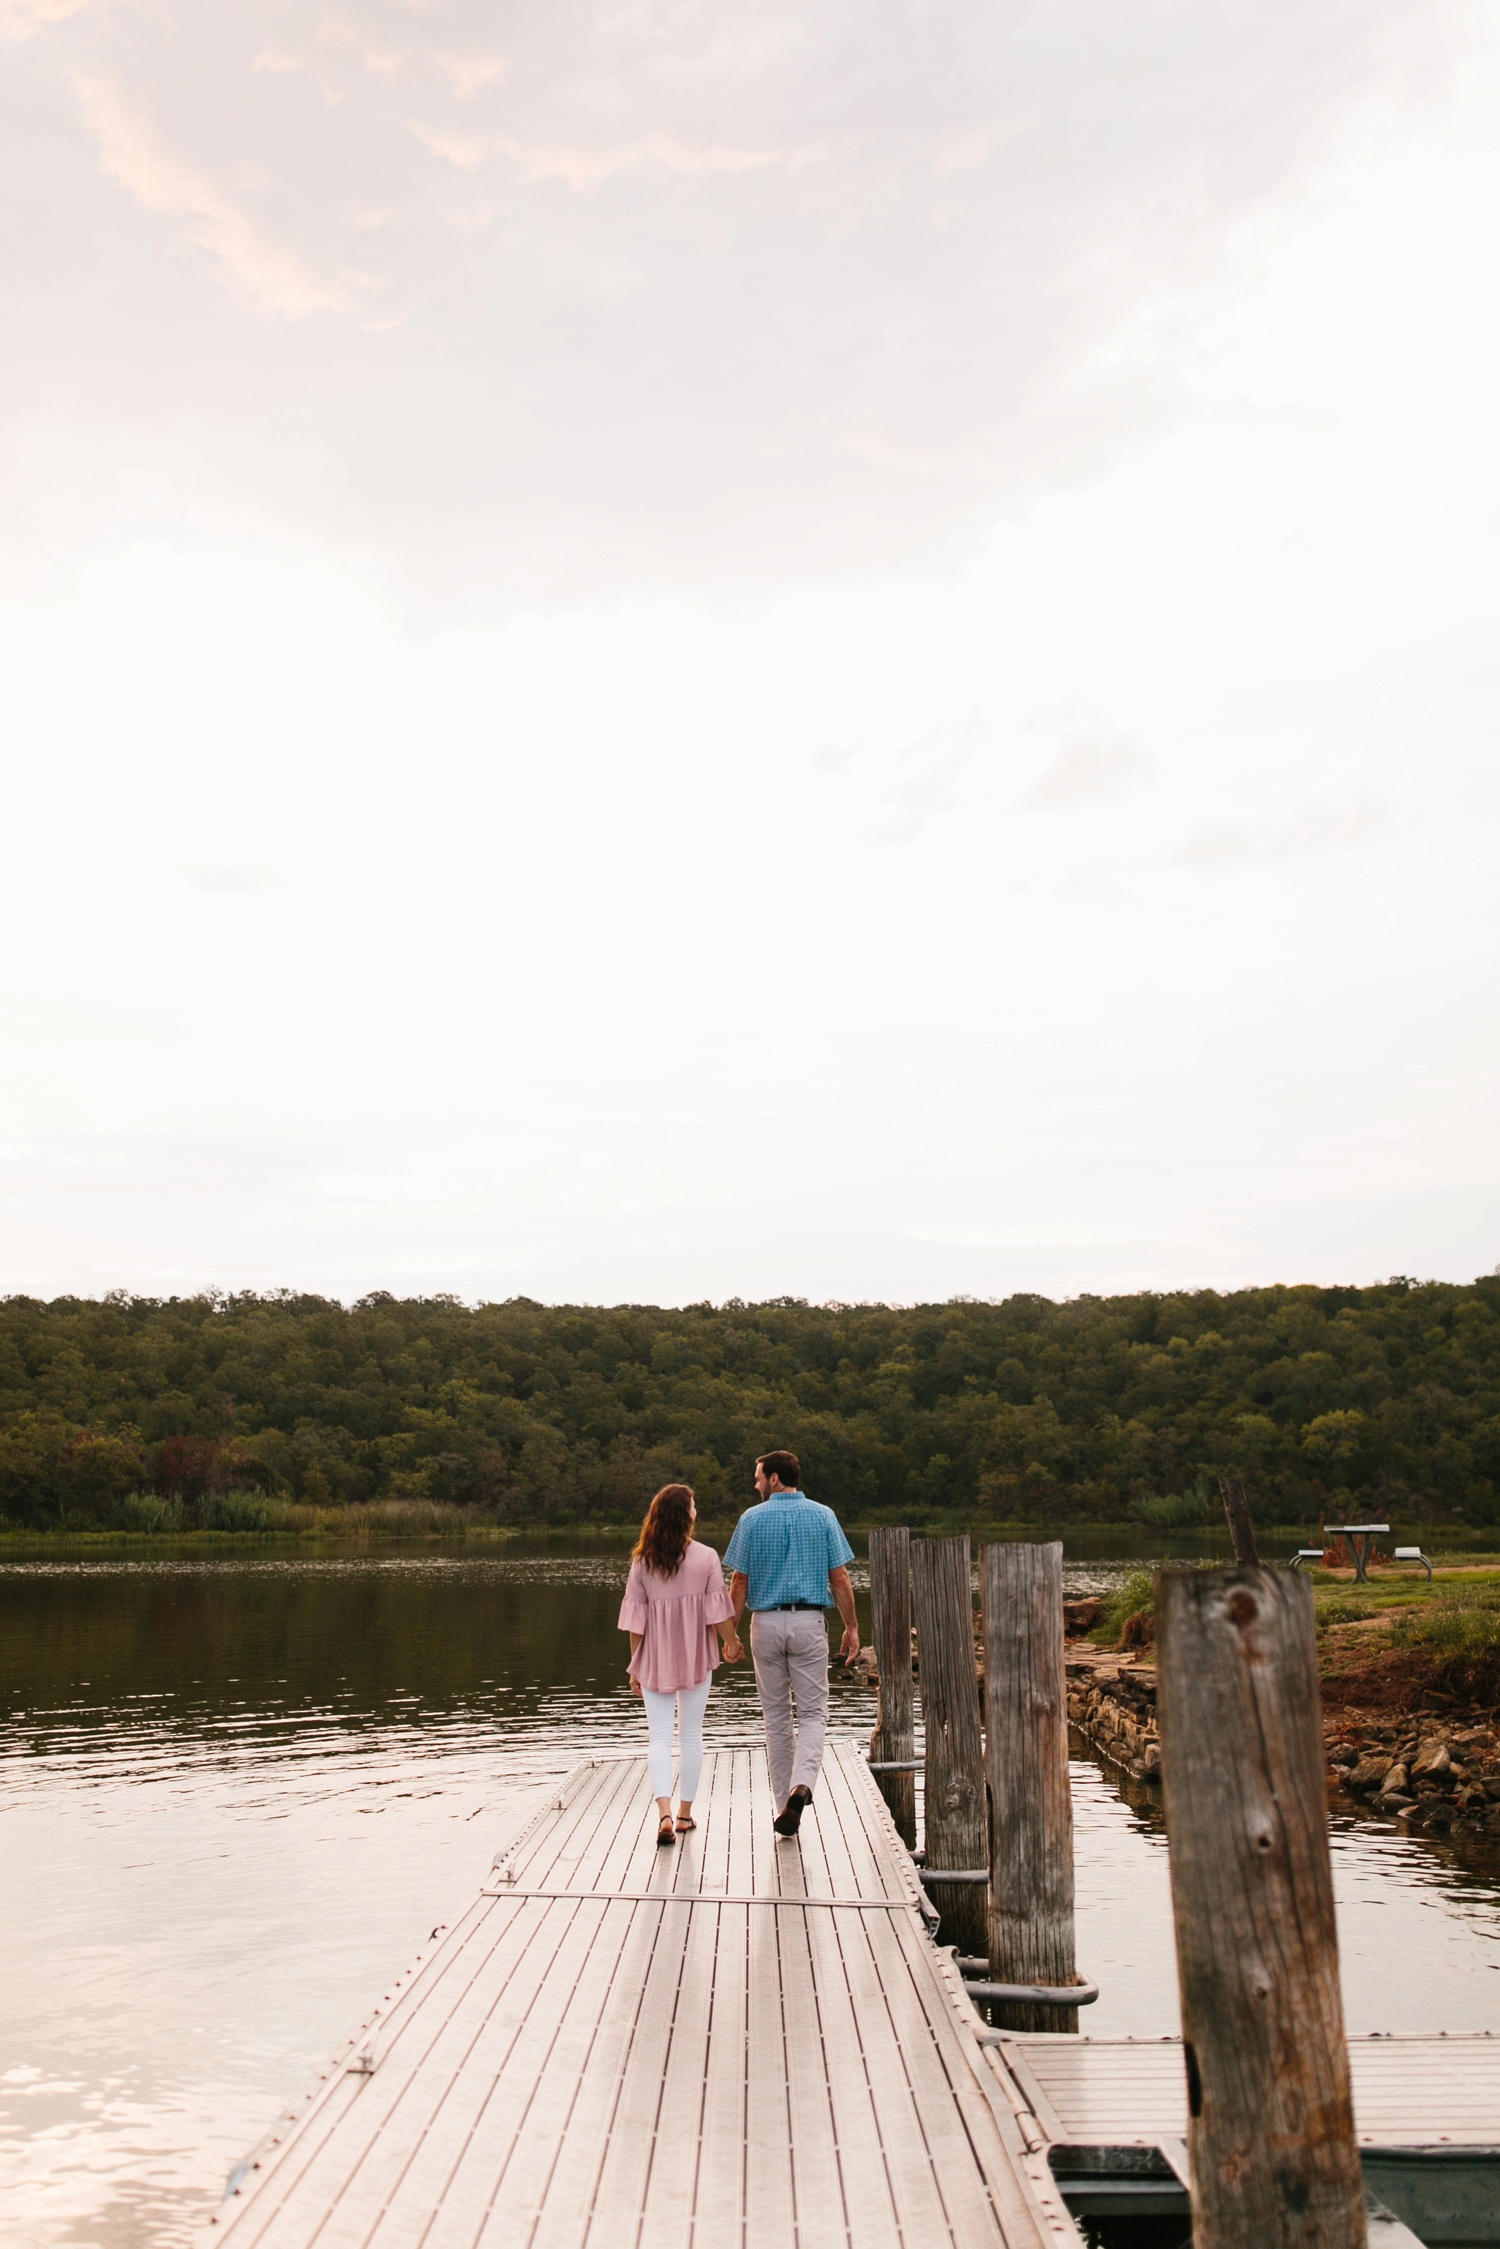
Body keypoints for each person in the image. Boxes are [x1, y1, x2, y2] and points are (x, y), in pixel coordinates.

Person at [723, 1449, 859, 1837]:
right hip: (808, 1621)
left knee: (776, 1716)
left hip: (764, 1623)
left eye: (758, 1477)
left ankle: (785, 1802)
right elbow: (840, 1578)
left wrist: (730, 1636)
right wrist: (851, 1626)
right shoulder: (824, 1515)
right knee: (814, 1714)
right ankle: (802, 1786)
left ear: (775, 1479)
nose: (755, 1483)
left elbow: (739, 1583)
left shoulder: (751, 1519)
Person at [618, 1482, 742, 1846]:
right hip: (695, 1657)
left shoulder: (642, 1561)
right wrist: (731, 1644)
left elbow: (634, 1621)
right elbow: (718, 1612)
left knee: (658, 1736)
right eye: (693, 1505)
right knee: (690, 1736)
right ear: (684, 1515)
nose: (696, 1510)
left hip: (654, 1658)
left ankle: (664, 1814)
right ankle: (686, 1814)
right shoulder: (706, 1557)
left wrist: (634, 1665)